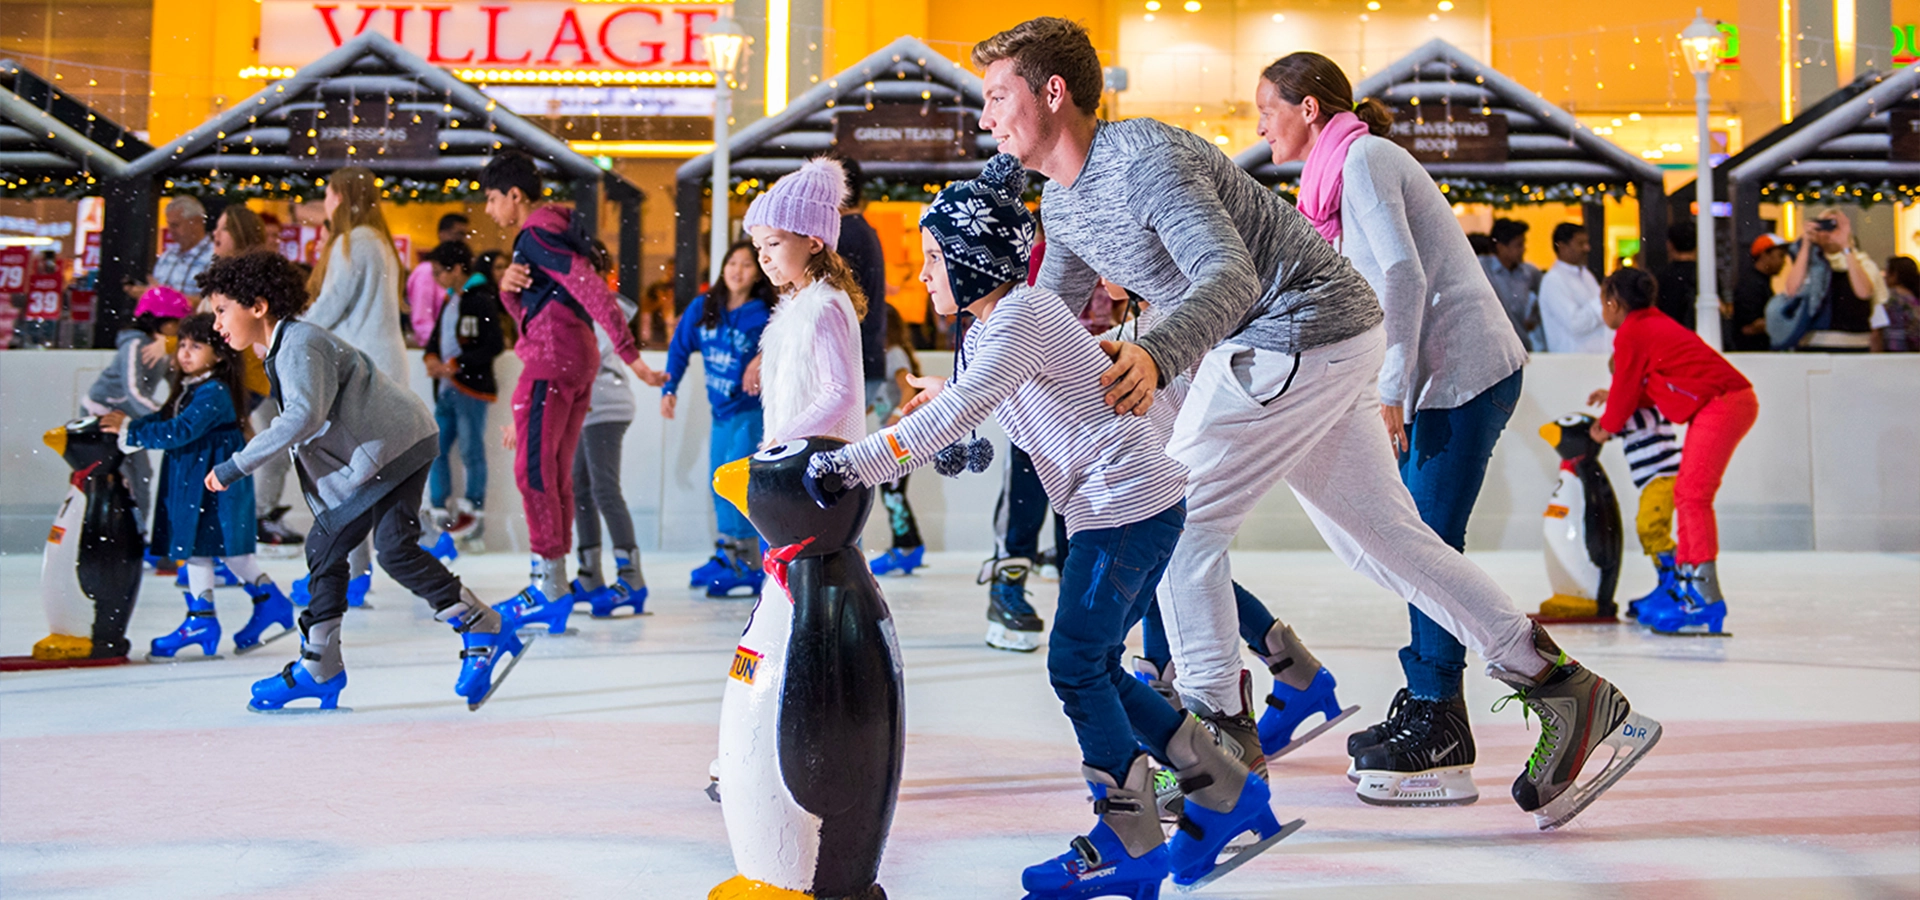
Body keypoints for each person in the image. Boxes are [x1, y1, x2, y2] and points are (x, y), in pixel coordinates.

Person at [977, 16, 1658, 832]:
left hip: (1293, 330)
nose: (986, 117)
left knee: (1179, 527)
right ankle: (1566, 690)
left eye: (997, 95)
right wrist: (963, 391)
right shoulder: (1063, 197)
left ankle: (1216, 758)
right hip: (1318, 342)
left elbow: (1226, 274)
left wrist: (1156, 353)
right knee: (1388, 542)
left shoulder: (1143, 159)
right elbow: (1043, 321)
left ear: (1053, 92)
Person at [805, 156, 1274, 895]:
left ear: (969, 260)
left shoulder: (1021, 314)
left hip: (1127, 507)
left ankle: (1130, 831)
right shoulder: (991, 329)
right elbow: (969, 405)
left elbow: (963, 410)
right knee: (1098, 665)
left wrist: (845, 467)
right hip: (1119, 508)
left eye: (931, 259)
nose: (921, 275)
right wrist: (942, 415)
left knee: (1075, 665)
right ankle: (1223, 785)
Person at [1257, 51, 1529, 806]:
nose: (1258, 124)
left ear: (1309, 108)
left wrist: (1391, 390)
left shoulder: (1367, 159)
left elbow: (1402, 276)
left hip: (1459, 375)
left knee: (1423, 543)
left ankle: (1442, 721)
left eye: (1266, 106)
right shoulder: (1329, 182)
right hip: (1437, 379)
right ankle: (1432, 701)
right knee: (1413, 539)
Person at [200, 251, 520, 711]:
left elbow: (303, 417)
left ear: (258, 306)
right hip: (396, 445)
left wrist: (235, 466)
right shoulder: (286, 346)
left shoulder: (298, 344)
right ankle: (480, 624)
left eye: (221, 310)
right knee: (394, 550)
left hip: (389, 451)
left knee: (328, 547)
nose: (216, 324)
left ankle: (319, 666)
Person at [484, 149, 663, 625]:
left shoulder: (537, 232)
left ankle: (549, 581)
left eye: (491, 199)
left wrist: (631, 356)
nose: (488, 209)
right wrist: (507, 291)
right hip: (571, 359)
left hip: (552, 362)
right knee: (557, 474)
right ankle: (556, 581)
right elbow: (536, 310)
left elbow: (589, 288)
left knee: (535, 474)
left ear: (515, 196)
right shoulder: (550, 233)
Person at [100, 312, 294, 659]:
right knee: (206, 551)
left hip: (212, 485)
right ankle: (224, 614)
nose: (185, 353)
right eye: (183, 345)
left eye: (196, 346)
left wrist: (130, 430)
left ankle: (230, 614)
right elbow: (165, 420)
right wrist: (130, 426)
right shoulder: (191, 388)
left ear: (219, 354)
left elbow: (180, 431)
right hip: (196, 484)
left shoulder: (214, 392)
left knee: (220, 551)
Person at [1591, 267, 1756, 635]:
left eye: (1603, 301)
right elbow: (1642, 388)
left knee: (1692, 496)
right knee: (1688, 495)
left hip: (1724, 404)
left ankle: (1702, 597)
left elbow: (1624, 395)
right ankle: (1687, 589)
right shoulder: (1649, 323)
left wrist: (1604, 427)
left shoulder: (1632, 330)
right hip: (1724, 403)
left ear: (1614, 303)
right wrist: (1614, 403)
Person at [736, 156, 871, 596]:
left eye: (773, 244)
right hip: (808, 469)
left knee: (817, 586)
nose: (764, 258)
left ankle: (826, 664)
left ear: (813, 241)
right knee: (801, 585)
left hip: (821, 472)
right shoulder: (800, 305)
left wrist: (780, 445)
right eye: (759, 248)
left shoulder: (823, 304)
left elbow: (840, 393)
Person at [289, 167, 412, 607]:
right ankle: (364, 566)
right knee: (371, 473)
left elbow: (328, 308)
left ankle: (351, 573)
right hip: (386, 364)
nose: (324, 202)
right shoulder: (379, 243)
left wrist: (287, 331)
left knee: (347, 478)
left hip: (363, 371)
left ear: (340, 196)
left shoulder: (353, 242)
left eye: (326, 193)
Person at [663, 240, 776, 594]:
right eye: (732, 263)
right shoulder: (704, 307)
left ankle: (747, 560)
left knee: (738, 482)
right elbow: (679, 348)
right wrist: (669, 389)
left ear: (757, 272)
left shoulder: (765, 313)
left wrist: (762, 357)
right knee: (719, 480)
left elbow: (788, 343)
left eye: (745, 264)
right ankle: (726, 553)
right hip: (721, 414)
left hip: (750, 411)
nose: (737, 270)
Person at [567, 261, 649, 619]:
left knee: (603, 490)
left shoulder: (601, 309)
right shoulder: (580, 305)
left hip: (605, 407)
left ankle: (631, 578)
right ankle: (589, 575)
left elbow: (582, 358)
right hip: (587, 407)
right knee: (579, 488)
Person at [83, 285, 187, 539]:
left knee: (142, 475)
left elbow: (175, 383)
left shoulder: (162, 346)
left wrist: (181, 408)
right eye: (177, 322)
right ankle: (113, 536)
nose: (179, 329)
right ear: (161, 320)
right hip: (105, 417)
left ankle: (137, 536)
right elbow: (133, 390)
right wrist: (165, 417)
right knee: (121, 478)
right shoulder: (134, 344)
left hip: (130, 420)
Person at [420, 242, 503, 542]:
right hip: (446, 389)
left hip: (470, 388)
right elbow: (436, 338)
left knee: (470, 448)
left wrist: (457, 364)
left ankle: (473, 510)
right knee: (436, 447)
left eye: (439, 272)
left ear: (456, 269)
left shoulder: (479, 300)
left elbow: (493, 344)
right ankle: (440, 505)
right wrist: (431, 357)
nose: (436, 278)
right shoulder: (452, 300)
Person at [866, 310, 927, 576]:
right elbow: (875, 401)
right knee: (891, 491)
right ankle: (906, 545)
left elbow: (907, 387)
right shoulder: (882, 357)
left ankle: (907, 547)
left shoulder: (894, 354)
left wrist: (898, 415)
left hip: (900, 438)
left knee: (893, 492)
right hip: (890, 437)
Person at [832, 154, 893, 414]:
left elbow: (835, 303)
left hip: (851, 364)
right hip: (866, 359)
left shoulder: (844, 236)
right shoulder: (863, 232)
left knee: (835, 451)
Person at [1780, 208, 1886, 352]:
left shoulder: (1862, 262)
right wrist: (1806, 243)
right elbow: (1792, 290)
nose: (1829, 232)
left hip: (1855, 345)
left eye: (1835, 226)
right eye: (1823, 225)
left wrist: (1846, 247)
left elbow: (1864, 293)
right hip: (1812, 345)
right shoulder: (1812, 264)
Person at [125, 195, 215, 302]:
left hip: (193, 318)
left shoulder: (214, 256)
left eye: (175, 225)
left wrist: (165, 298)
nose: (170, 230)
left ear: (196, 222)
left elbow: (212, 303)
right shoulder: (167, 255)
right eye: (169, 225)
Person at [1538, 223, 1610, 352]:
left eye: (1586, 243)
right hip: (1571, 361)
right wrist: (1603, 299)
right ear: (1562, 246)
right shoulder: (1553, 280)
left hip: (1596, 358)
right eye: (1580, 244)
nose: (1587, 248)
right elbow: (1575, 324)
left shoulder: (1587, 275)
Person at [407, 213, 472, 346]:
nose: (462, 239)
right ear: (442, 234)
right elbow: (422, 320)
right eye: (458, 234)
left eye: (465, 235)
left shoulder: (460, 269)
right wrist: (437, 347)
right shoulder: (428, 270)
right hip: (438, 352)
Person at [1482, 219, 1544, 352]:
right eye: (1518, 245)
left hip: (1522, 346)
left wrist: (1534, 318)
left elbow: (1545, 299)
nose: (1523, 249)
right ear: (1501, 247)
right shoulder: (1483, 269)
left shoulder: (1529, 273)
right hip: (1492, 348)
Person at [1725, 233, 1788, 352]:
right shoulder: (1751, 284)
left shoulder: (1760, 282)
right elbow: (1749, 327)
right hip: (1751, 352)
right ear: (1765, 254)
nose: (1784, 262)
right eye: (1780, 256)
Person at [1656, 221, 1699, 331]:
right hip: (1700, 337)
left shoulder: (1663, 277)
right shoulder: (1705, 276)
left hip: (1670, 335)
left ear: (1670, 245)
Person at [1875, 255, 1920, 351]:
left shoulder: (1891, 297)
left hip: (1894, 347)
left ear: (1894, 274)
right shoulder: (1913, 297)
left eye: (1887, 271)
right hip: (1913, 348)